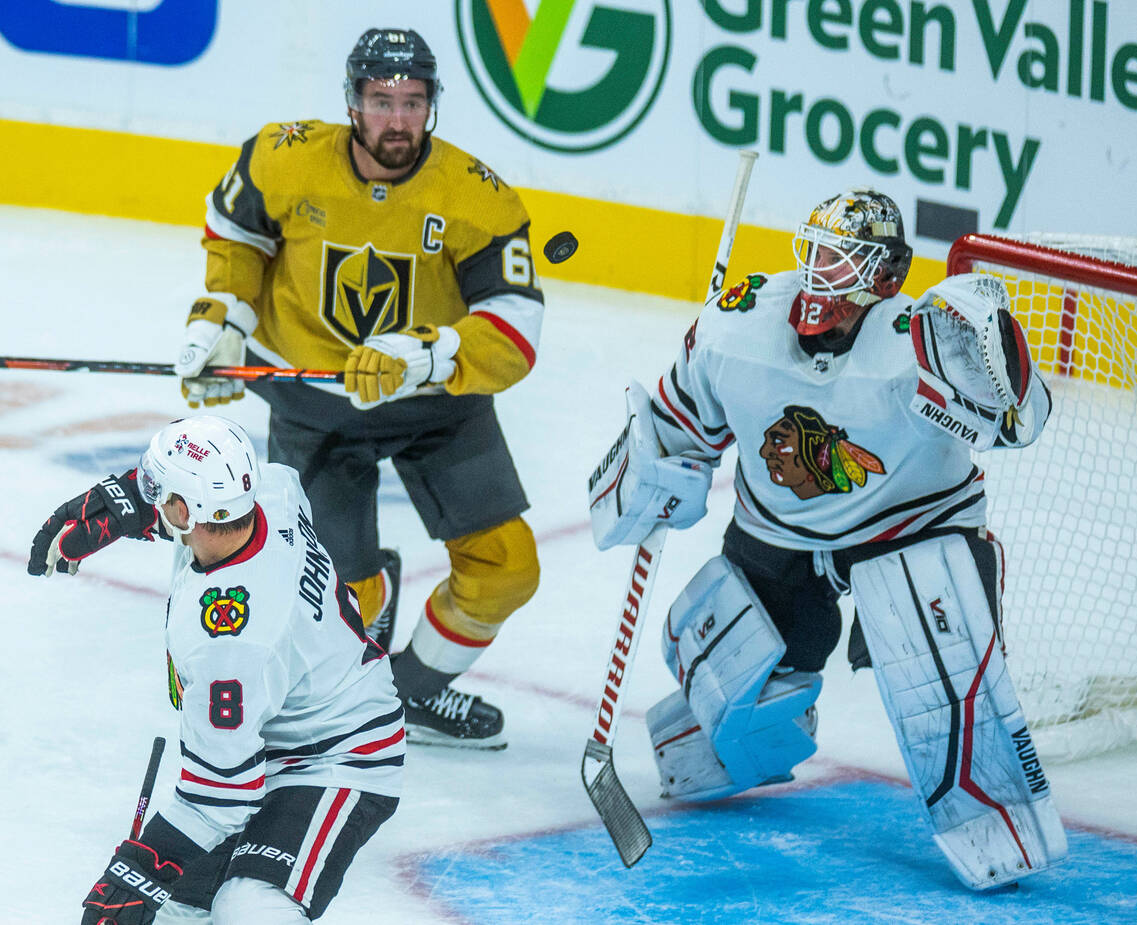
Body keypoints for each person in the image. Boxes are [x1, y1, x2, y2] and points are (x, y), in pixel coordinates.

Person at [586, 188, 1067, 888]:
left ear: (887, 279)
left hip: (912, 527)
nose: (820, 278)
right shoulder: (737, 324)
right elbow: (675, 416)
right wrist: (651, 470)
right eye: (814, 254)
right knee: (732, 699)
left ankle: (994, 819)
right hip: (779, 527)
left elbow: (1020, 422)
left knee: (942, 663)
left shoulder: (921, 344)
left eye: (844, 264)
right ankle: (733, 746)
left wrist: (996, 361)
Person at [172, 28, 544, 749]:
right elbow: (237, 241)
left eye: (413, 101)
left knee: (507, 568)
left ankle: (402, 695)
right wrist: (222, 322)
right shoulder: (285, 159)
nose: (397, 119)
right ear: (353, 102)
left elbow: (517, 327)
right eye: (381, 101)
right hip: (316, 405)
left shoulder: (477, 197)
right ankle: (343, 675)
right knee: (343, 594)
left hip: (439, 407)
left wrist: (427, 357)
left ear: (433, 105)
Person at [27, 415, 406, 923]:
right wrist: (126, 508)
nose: (146, 497)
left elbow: (221, 795)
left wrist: (141, 869)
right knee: (179, 911)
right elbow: (223, 508)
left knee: (249, 908)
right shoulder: (273, 491)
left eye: (155, 490)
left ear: (184, 510)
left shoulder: (228, 641)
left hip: (339, 753)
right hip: (268, 729)